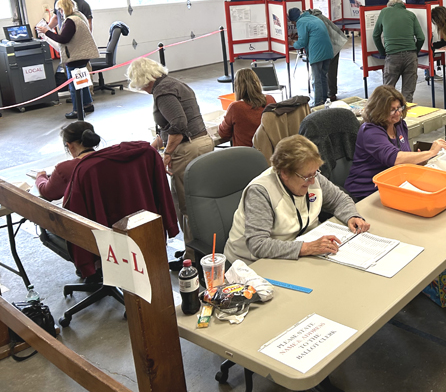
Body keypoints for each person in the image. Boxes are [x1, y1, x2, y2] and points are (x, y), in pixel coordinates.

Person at [224, 135, 371, 263]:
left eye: (315, 173)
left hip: (296, 251)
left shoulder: (312, 176)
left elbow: (339, 199)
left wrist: (351, 215)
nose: (313, 181)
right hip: (253, 264)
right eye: (307, 177)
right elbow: (258, 245)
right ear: (284, 173)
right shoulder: (261, 191)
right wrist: (306, 247)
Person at [126, 57, 214, 262]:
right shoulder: (175, 84)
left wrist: (167, 154)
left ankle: (193, 256)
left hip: (188, 149)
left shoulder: (162, 92)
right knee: (201, 201)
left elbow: (179, 125)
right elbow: (170, 127)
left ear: (143, 79)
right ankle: (196, 250)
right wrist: (152, 146)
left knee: (187, 206)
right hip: (202, 142)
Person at [345, 85, 446, 201]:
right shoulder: (370, 132)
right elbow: (395, 159)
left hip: (393, 185)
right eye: (392, 110)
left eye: (399, 108)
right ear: (378, 111)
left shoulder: (399, 125)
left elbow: (403, 160)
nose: (398, 113)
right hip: (367, 192)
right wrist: (431, 152)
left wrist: (418, 160)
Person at [37, 0, 99, 119]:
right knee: (83, 83)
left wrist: (46, 32)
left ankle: (77, 110)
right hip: (82, 56)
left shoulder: (70, 21)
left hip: (75, 57)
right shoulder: (80, 16)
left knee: (74, 85)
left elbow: (63, 39)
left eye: (59, 10)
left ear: (62, 9)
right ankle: (87, 104)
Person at [373, 0, 425, 102]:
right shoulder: (411, 15)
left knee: (388, 90)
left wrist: (383, 51)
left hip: (392, 55)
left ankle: (388, 115)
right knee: (408, 93)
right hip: (411, 56)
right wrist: (415, 50)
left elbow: (375, 35)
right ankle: (405, 116)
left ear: (390, 6)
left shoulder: (385, 11)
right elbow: (421, 38)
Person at [35, 121, 102, 201]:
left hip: (83, 212)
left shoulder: (66, 168)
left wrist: (40, 177)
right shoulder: (111, 156)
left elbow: (47, 193)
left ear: (70, 145)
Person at [218, 68, 275, 148]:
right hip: (268, 151)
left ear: (237, 87)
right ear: (257, 82)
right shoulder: (270, 100)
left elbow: (223, 133)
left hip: (245, 155)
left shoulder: (235, 107)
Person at [289, 8, 334, 107]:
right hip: (328, 51)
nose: (294, 25)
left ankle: (318, 103)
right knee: (323, 76)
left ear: (293, 20)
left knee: (316, 78)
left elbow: (303, 42)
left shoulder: (300, 22)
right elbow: (313, 34)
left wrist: (293, 44)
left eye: (293, 23)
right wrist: (298, 37)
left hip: (317, 53)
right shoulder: (312, 17)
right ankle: (325, 99)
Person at [310, 7, 347, 101]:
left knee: (324, 73)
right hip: (336, 43)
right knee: (332, 71)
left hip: (330, 46)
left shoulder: (314, 21)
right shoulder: (320, 17)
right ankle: (332, 93)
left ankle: (325, 95)